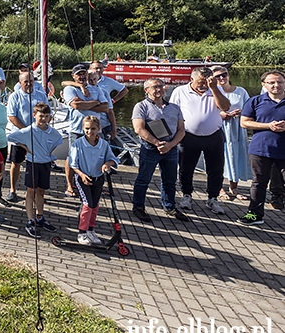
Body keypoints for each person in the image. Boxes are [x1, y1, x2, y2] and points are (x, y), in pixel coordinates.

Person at [168, 67, 230, 215]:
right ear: (191, 80)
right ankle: (186, 195)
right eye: (200, 82)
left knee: (216, 169)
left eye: (206, 82)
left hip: (213, 135)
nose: (204, 85)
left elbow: (225, 107)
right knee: (186, 168)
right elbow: (172, 112)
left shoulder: (215, 89)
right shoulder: (180, 91)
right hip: (188, 135)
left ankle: (213, 198)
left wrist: (214, 89)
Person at [130, 78, 188, 222]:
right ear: (146, 90)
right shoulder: (141, 106)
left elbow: (181, 130)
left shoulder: (174, 107)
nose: (159, 90)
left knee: (170, 180)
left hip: (171, 148)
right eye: (155, 87)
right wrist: (157, 143)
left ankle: (169, 206)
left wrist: (171, 144)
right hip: (150, 148)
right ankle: (138, 207)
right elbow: (139, 128)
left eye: (161, 86)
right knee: (144, 179)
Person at [6, 103, 64, 238]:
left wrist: (50, 153)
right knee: (30, 191)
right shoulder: (28, 131)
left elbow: (59, 140)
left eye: (46, 116)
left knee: (41, 191)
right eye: (40, 116)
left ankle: (40, 216)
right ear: (34, 116)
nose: (43, 119)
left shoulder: (53, 132)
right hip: (33, 164)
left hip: (45, 164)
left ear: (50, 117)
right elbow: (11, 137)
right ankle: (30, 220)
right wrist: (26, 148)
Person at [238, 70, 285, 225]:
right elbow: (244, 122)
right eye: (271, 82)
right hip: (261, 149)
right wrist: (268, 126)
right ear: (264, 85)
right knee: (258, 182)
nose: (276, 85)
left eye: (279, 82)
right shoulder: (255, 101)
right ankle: (255, 214)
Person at [68, 116, 119, 245]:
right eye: (87, 129)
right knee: (87, 204)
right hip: (83, 178)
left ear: (98, 129)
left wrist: (107, 164)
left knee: (95, 205)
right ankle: (82, 232)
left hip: (98, 178)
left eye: (93, 129)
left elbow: (113, 159)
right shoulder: (78, 144)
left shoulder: (103, 144)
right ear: (83, 128)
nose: (90, 131)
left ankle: (90, 229)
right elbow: (73, 164)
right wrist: (82, 175)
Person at [62, 64, 109, 197]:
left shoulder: (96, 89)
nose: (82, 76)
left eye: (84, 74)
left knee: (95, 157)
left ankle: (96, 182)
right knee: (72, 158)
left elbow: (105, 107)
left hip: (95, 130)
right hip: (77, 129)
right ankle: (70, 185)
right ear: (73, 76)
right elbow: (76, 105)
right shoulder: (69, 89)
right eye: (78, 74)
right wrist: (95, 103)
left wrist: (86, 104)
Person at [5, 71, 50, 204]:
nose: (29, 84)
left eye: (31, 81)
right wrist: (27, 131)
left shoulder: (41, 95)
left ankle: (35, 192)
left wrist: (41, 128)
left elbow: (48, 113)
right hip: (20, 136)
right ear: (20, 83)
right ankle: (12, 190)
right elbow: (12, 116)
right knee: (16, 163)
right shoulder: (14, 96)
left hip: (38, 136)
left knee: (36, 163)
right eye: (26, 82)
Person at [211, 65, 251, 200]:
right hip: (220, 127)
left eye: (224, 74)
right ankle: (219, 188)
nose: (222, 78)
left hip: (237, 128)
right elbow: (208, 111)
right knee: (220, 157)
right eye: (218, 76)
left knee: (237, 155)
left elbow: (249, 108)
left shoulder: (240, 91)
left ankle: (234, 187)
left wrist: (242, 112)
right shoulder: (212, 91)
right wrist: (222, 114)